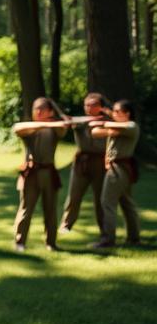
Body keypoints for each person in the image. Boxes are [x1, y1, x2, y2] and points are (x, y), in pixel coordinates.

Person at [11, 98, 67, 252]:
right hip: (31, 173)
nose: (38, 112)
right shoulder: (29, 128)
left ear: (50, 112)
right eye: (36, 109)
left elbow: (63, 128)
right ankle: (19, 242)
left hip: (49, 172)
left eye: (42, 109)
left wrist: (56, 121)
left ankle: (51, 243)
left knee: (50, 209)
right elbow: (17, 129)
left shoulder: (54, 129)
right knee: (25, 209)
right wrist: (44, 123)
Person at [90, 99, 142, 248]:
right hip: (117, 168)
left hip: (119, 169)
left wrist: (107, 120)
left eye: (118, 112)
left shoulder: (131, 126)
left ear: (127, 113)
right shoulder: (117, 127)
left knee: (107, 202)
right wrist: (108, 121)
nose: (115, 114)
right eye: (114, 111)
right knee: (126, 203)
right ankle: (134, 238)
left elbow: (108, 126)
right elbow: (95, 132)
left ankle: (108, 239)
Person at [59, 93, 109, 234]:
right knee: (74, 195)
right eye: (86, 105)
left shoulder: (108, 121)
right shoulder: (80, 121)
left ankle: (104, 228)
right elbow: (71, 122)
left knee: (101, 198)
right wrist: (68, 121)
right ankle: (66, 225)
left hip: (100, 162)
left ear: (101, 107)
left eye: (93, 105)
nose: (88, 108)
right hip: (82, 162)